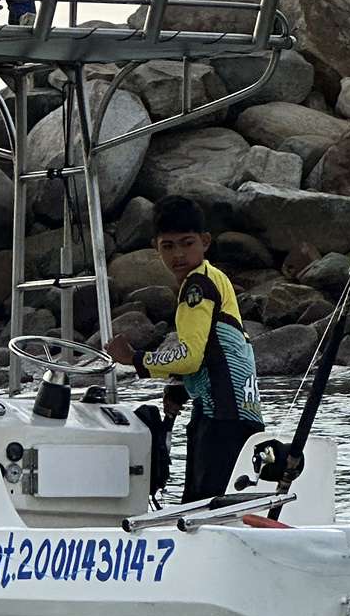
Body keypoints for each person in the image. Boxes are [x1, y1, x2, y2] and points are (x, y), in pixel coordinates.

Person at [105, 196, 263, 504]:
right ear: (156, 248)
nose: (178, 254)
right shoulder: (216, 278)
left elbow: (191, 356)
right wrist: (185, 389)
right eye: (168, 246)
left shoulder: (196, 287)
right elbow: (221, 351)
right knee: (222, 509)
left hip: (221, 422)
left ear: (205, 242)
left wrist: (136, 359)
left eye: (186, 243)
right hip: (242, 416)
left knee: (202, 513)